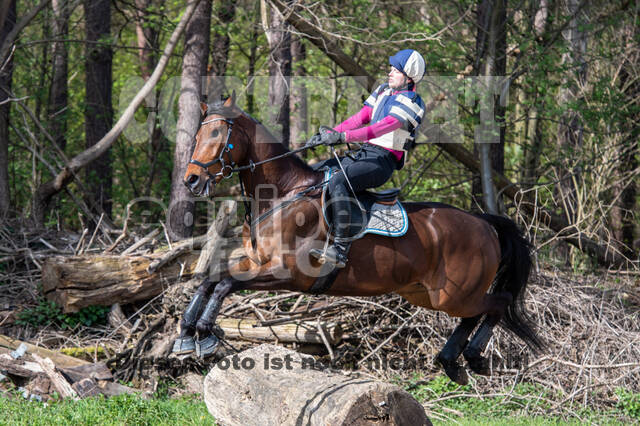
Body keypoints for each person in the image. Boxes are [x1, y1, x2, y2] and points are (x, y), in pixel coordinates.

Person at [310, 49, 427, 268]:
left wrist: (342, 137)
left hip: (381, 162)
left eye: (396, 70)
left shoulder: (413, 102)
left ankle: (340, 249)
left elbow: (380, 128)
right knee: (316, 172)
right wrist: (327, 135)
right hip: (363, 154)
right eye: (391, 68)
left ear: (409, 77)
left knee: (338, 181)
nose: (390, 72)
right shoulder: (383, 90)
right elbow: (360, 118)